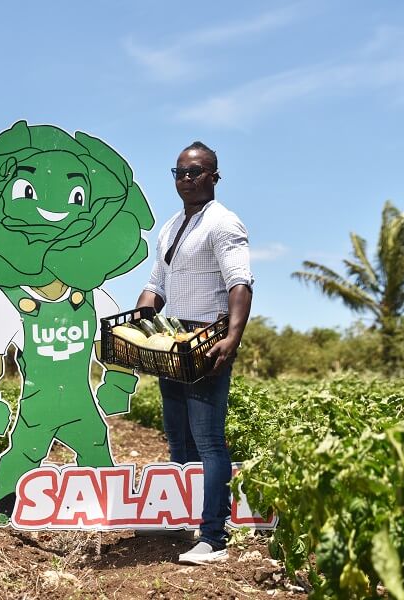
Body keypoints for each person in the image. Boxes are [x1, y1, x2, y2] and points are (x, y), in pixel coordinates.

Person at [136, 141, 252, 565]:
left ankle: (214, 536)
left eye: (196, 172)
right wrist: (140, 319)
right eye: (180, 172)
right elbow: (157, 285)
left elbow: (240, 283)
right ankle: (185, 519)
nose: (186, 179)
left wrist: (232, 337)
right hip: (173, 343)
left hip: (206, 340)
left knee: (208, 439)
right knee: (178, 437)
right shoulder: (171, 227)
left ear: (214, 176)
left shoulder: (223, 223)